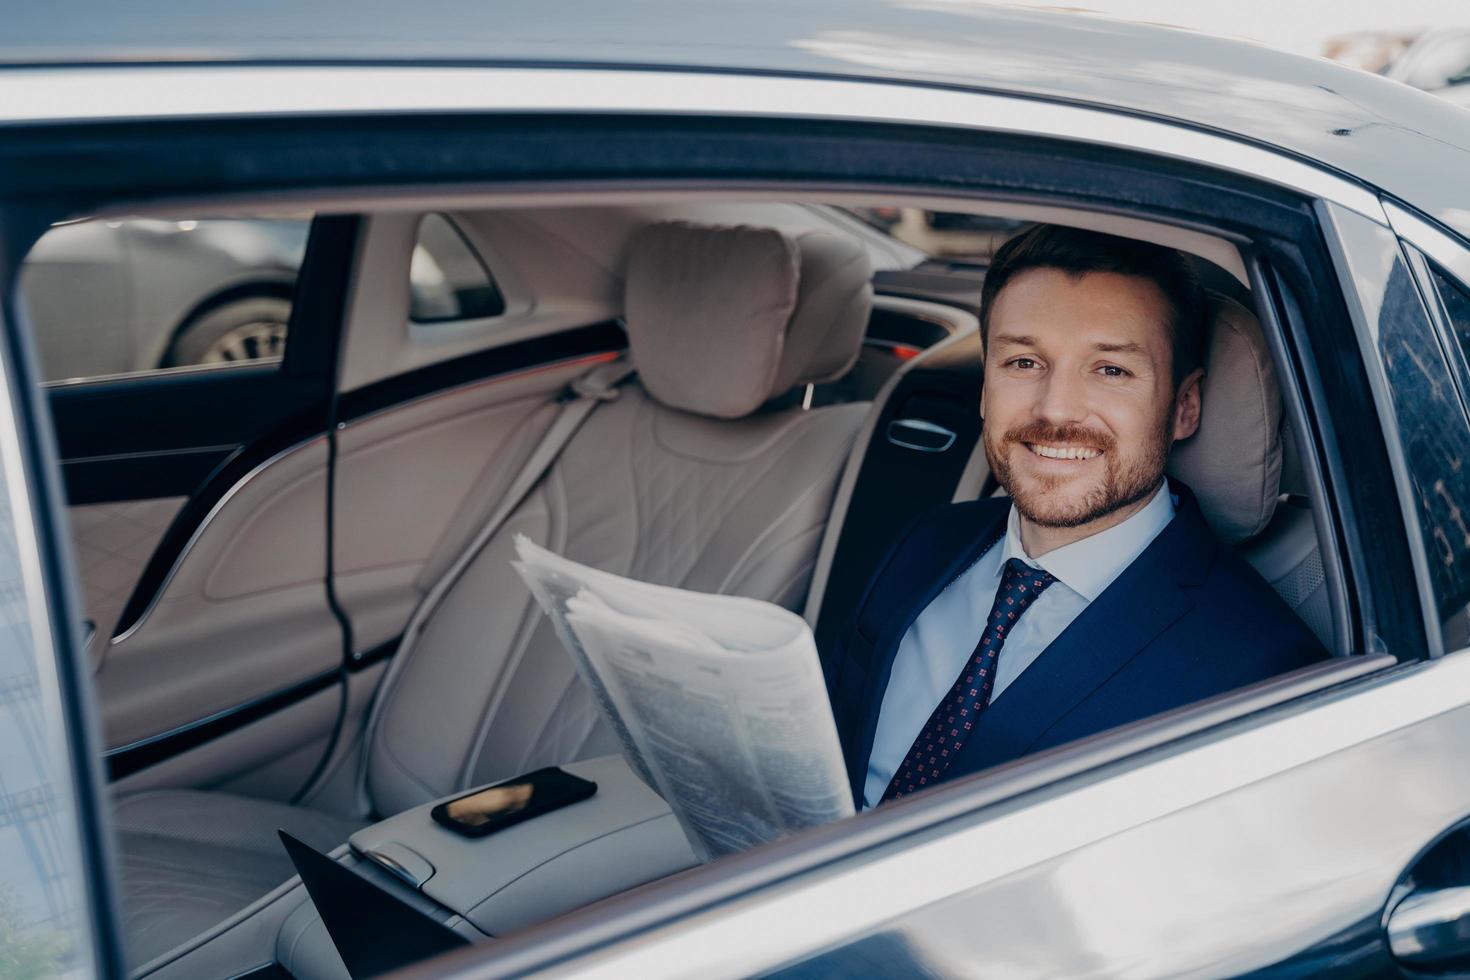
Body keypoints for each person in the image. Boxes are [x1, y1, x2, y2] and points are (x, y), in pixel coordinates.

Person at [822, 225, 1327, 810]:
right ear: (985, 387)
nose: (1055, 408)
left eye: (1111, 370)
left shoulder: (1261, 675)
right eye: (1024, 361)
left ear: (1184, 407)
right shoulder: (928, 541)